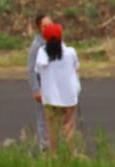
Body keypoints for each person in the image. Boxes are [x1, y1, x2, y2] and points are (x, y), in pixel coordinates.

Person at [33, 22, 81, 153]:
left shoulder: (41, 54)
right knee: (69, 129)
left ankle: (53, 157)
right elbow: (76, 67)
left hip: (50, 98)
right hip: (68, 97)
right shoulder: (70, 52)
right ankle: (71, 156)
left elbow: (37, 71)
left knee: (52, 131)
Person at [25, 13, 51, 151]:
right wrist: (36, 90)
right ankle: (44, 147)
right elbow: (31, 70)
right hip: (43, 87)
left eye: (50, 25)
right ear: (39, 28)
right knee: (43, 117)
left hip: (54, 87)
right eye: (45, 26)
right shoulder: (36, 46)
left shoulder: (55, 42)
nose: (48, 28)